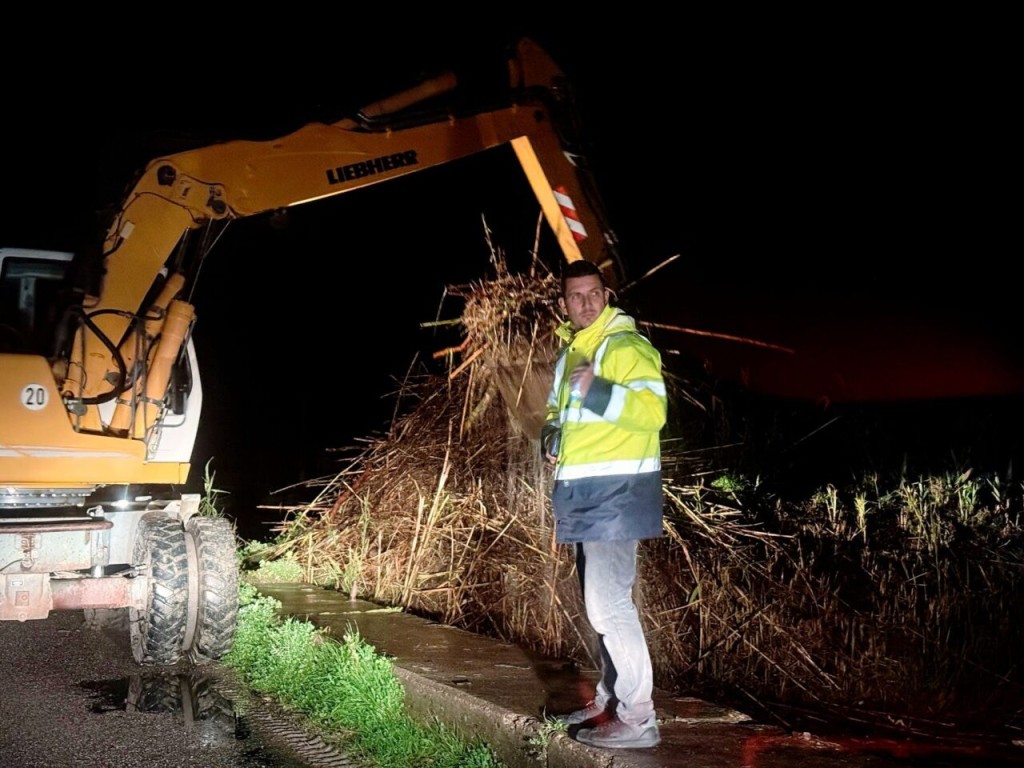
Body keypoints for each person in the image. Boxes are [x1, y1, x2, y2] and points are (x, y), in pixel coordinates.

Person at [541, 259, 667, 749]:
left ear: (607, 293)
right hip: (586, 496)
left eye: (594, 293)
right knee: (601, 606)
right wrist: (552, 433)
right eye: (576, 296)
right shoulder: (574, 353)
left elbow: (653, 412)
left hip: (616, 494)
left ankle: (637, 718)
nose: (586, 303)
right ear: (564, 304)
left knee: (608, 606)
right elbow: (558, 410)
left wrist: (599, 391)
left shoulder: (625, 346)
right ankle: (611, 699)